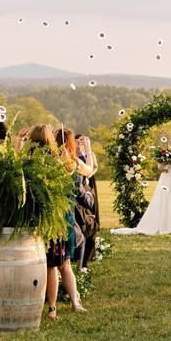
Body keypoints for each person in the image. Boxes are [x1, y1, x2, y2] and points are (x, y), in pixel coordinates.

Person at [35, 125, 85, 320]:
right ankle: (75, 302)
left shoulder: (56, 165)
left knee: (53, 265)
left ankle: (53, 308)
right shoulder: (72, 163)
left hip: (56, 220)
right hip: (67, 218)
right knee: (66, 264)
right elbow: (88, 169)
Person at [112, 134, 171, 236]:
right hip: (166, 178)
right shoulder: (165, 152)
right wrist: (165, 164)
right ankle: (162, 224)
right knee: (164, 200)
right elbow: (160, 168)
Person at [76, 134, 101, 268]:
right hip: (80, 185)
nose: (80, 142)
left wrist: (90, 175)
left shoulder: (89, 153)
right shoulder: (76, 154)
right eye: (78, 140)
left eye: (82, 140)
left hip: (88, 183)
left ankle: (89, 252)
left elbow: (93, 167)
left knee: (91, 210)